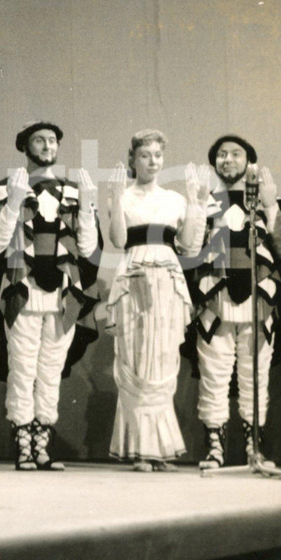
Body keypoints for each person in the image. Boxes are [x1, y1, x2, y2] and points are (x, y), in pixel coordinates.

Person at [0, 121, 101, 471]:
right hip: (22, 293)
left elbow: (88, 249)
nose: (47, 145)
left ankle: (43, 443)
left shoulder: (74, 192)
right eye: (39, 140)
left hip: (62, 295)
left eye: (52, 139)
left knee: (51, 369)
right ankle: (24, 443)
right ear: (25, 146)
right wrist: (12, 203)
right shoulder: (4, 190)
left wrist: (87, 207)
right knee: (23, 368)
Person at [105, 129, 207, 472]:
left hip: (167, 281)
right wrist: (116, 199)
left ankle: (160, 449)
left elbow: (191, 246)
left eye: (158, 155)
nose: (152, 161)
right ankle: (140, 449)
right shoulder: (123, 197)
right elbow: (119, 240)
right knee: (135, 360)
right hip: (134, 279)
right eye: (145, 155)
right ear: (133, 159)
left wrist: (195, 202)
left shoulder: (174, 200)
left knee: (162, 358)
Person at [187, 135, 281, 469]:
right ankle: (214, 446)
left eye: (236, 154)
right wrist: (196, 205)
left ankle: (253, 446)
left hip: (258, 301)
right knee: (214, 373)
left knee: (254, 374)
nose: (228, 160)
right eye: (222, 155)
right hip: (215, 298)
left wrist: (272, 205)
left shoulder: (263, 201)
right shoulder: (206, 199)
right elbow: (188, 249)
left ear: (249, 161)